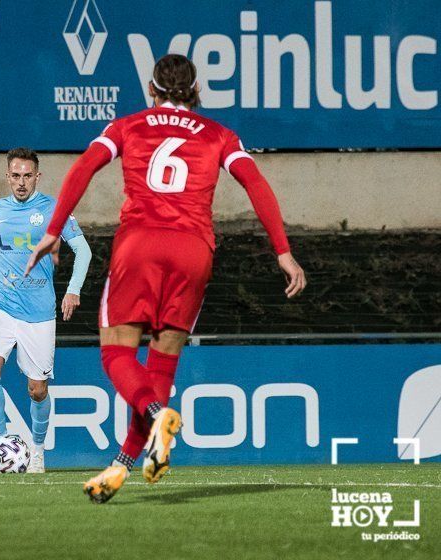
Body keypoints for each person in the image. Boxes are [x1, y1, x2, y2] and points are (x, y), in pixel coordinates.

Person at [26, 54, 306, 502]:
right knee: (160, 366)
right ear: (196, 93)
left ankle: (158, 415)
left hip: (140, 245)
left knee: (117, 356)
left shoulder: (129, 125)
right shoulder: (219, 135)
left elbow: (82, 168)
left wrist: (53, 230)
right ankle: (122, 466)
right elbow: (254, 182)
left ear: (151, 90)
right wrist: (283, 252)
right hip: (194, 251)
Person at [0, 148, 92, 473]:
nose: (21, 182)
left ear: (37, 177)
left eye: (27, 176)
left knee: (37, 389)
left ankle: (38, 451)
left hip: (39, 313)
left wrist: (73, 290)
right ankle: (2, 444)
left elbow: (83, 251)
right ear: (7, 176)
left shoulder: (53, 209)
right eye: (15, 175)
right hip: (1, 305)